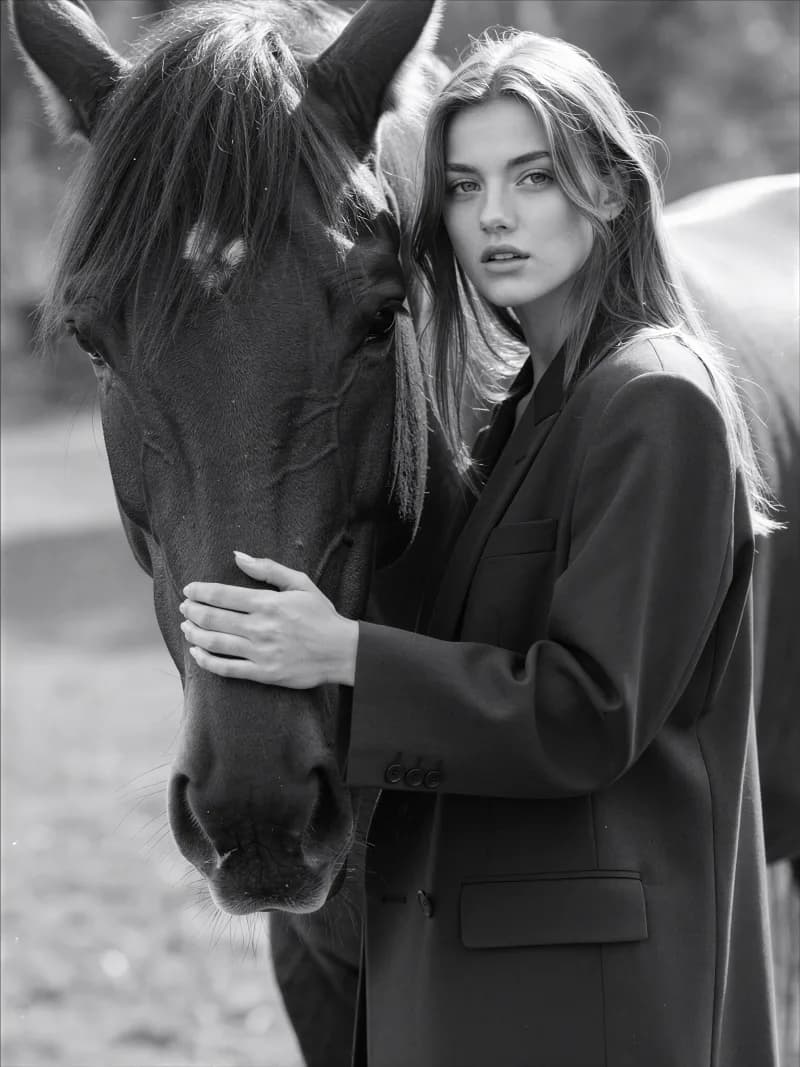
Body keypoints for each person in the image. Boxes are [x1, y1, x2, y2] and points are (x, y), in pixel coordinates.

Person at [178, 30, 779, 1067]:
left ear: (609, 189)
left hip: (587, 1007)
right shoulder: (529, 409)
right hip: (493, 993)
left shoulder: (655, 399)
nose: (493, 215)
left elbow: (587, 714)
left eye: (532, 176)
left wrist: (345, 653)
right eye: (461, 185)